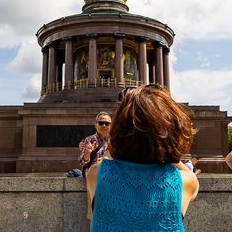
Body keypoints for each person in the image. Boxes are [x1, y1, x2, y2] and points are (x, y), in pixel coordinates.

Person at [87, 85, 199, 231]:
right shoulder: (186, 182)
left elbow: (106, 162)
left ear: (118, 129)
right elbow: (190, 175)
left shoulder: (96, 174)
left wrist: (113, 146)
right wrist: (169, 151)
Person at [78, 111, 111, 176]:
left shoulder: (115, 141)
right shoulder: (89, 140)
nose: (104, 125)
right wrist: (87, 153)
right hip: (94, 174)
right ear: (96, 125)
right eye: (101, 123)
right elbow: (82, 162)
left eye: (107, 123)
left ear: (111, 126)